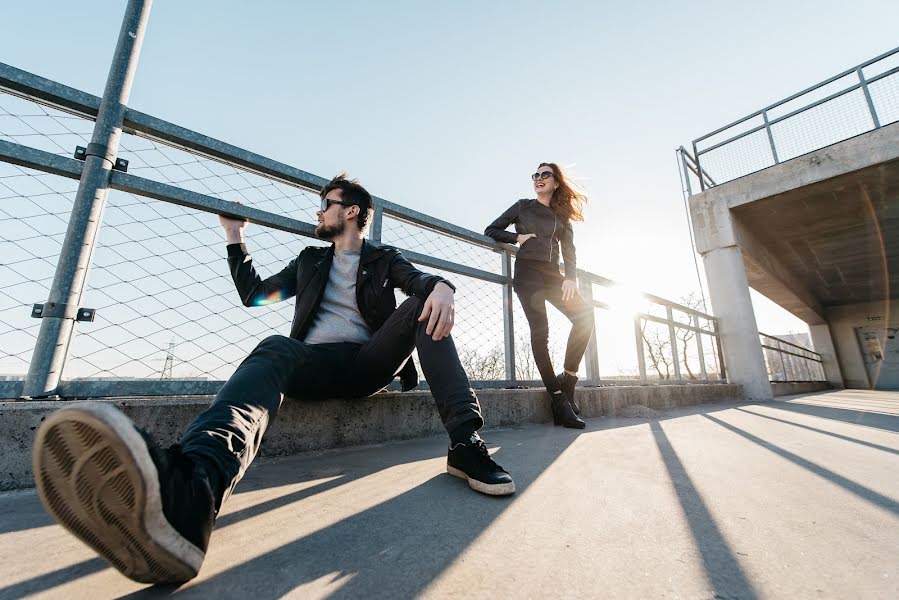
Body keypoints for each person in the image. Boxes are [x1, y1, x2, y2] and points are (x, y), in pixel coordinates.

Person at [32, 173, 515, 585]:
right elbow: (256, 296)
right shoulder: (309, 261)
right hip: (313, 362)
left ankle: (466, 443)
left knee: (422, 304)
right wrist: (234, 237)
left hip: (370, 362)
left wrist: (443, 286)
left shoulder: (383, 258)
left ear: (350, 212)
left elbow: (416, 283)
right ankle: (196, 488)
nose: (319, 211)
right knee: (273, 344)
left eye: (325, 204)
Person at [485, 162, 594, 429]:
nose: (539, 178)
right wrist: (516, 238)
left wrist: (570, 277)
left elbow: (570, 250)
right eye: (536, 174)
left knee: (585, 317)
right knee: (541, 332)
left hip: (552, 276)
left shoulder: (561, 216)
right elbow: (491, 229)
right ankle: (558, 401)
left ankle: (568, 382)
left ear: (556, 182)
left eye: (545, 174)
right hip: (527, 273)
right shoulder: (522, 206)